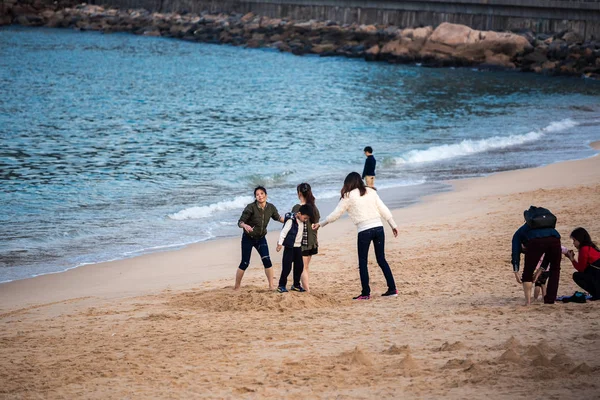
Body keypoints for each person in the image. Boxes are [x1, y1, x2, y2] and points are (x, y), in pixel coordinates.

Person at [313, 172, 398, 300]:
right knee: (381, 259)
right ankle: (392, 289)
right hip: (379, 228)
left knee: (363, 263)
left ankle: (365, 293)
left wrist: (321, 224)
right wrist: (393, 225)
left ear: (348, 183)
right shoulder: (371, 191)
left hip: (364, 231)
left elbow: (336, 214)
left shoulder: (348, 196)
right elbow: (382, 208)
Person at [234, 186, 284, 290]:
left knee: (267, 260)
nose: (260, 196)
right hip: (248, 238)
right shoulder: (250, 207)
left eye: (261, 193)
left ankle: (271, 286)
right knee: (245, 263)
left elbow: (278, 218)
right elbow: (240, 222)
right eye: (257, 194)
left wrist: (289, 220)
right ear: (255, 197)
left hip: (261, 238)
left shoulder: (270, 208)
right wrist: (245, 226)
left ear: (266, 195)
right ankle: (237, 286)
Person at [511, 208, 562, 305]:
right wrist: (540, 270)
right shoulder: (548, 227)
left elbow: (515, 252)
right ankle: (550, 300)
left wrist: (516, 270)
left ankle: (528, 302)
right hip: (555, 238)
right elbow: (548, 255)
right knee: (555, 269)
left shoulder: (519, 233)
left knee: (527, 272)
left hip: (535, 241)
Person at [276, 205, 314, 293]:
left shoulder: (302, 221)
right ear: (299, 214)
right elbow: (283, 232)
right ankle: (281, 285)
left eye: (307, 219)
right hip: (290, 247)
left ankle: (296, 285)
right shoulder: (291, 221)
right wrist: (280, 243)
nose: (306, 220)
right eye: (305, 218)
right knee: (287, 267)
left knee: (299, 266)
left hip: (298, 247)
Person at [291, 183, 320, 292]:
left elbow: (292, 223)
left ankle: (307, 289)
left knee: (302, 267)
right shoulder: (313, 207)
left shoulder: (297, 208)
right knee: (306, 267)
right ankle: (304, 286)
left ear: (299, 193)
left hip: (302, 241)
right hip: (312, 241)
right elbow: (316, 222)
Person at [565, 227, 600, 300]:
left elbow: (581, 269)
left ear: (580, 239)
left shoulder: (584, 249)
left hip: (596, 276)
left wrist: (572, 259)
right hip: (596, 274)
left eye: (574, 240)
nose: (573, 243)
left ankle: (597, 294)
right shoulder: (592, 246)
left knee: (577, 276)